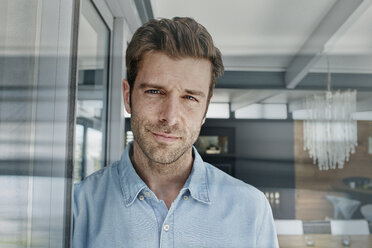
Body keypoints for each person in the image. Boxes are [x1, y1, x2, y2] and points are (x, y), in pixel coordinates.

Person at [73, 17, 279, 248]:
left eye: (190, 97)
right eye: (154, 92)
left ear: (205, 109)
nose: (170, 117)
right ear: (127, 96)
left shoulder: (251, 209)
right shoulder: (78, 207)